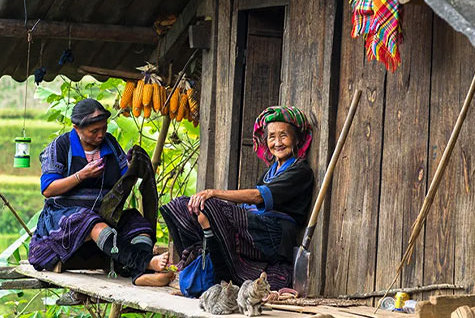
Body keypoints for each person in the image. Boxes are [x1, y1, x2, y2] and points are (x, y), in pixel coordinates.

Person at [161, 106, 314, 290]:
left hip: (275, 235)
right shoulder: (269, 173)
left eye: (284, 135)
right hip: (258, 227)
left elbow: (258, 197)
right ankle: (196, 260)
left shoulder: (300, 171)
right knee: (180, 206)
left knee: (209, 205)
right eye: (272, 137)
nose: (277, 142)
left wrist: (214, 193)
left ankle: (223, 273)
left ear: (297, 139)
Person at [28, 98, 172, 286]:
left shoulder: (110, 144)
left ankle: (139, 275)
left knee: (138, 224)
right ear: (77, 128)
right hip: (64, 217)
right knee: (91, 223)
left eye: (103, 128)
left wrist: (132, 166)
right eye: (94, 131)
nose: (100, 134)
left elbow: (124, 177)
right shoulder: (61, 146)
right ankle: (146, 263)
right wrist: (81, 175)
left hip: (104, 213)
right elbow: (47, 189)